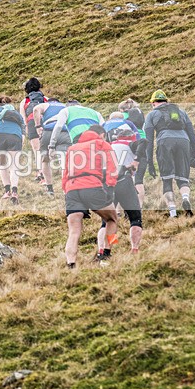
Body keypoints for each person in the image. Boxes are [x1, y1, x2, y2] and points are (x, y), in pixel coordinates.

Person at [62, 125, 119, 267]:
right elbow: (112, 165)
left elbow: (65, 173)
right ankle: (107, 252)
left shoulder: (72, 148)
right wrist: (110, 185)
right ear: (101, 134)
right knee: (112, 219)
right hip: (92, 185)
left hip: (72, 189)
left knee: (74, 231)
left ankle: (70, 264)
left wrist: (66, 190)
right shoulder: (101, 143)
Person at [145, 90, 195, 218]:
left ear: (153, 103)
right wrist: (194, 156)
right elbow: (192, 135)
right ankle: (185, 198)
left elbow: (149, 141)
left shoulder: (151, 115)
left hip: (165, 142)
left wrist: (150, 163)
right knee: (183, 178)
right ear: (166, 101)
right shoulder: (181, 112)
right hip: (184, 141)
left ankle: (173, 213)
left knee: (167, 180)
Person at [99, 115, 146, 254]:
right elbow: (144, 142)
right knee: (135, 219)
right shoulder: (130, 143)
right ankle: (134, 249)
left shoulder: (109, 146)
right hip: (124, 181)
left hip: (107, 184)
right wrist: (136, 160)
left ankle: (104, 249)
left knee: (107, 221)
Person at [0, 96, 25, 203]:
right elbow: (23, 131)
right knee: (14, 165)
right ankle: (14, 191)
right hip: (15, 136)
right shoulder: (16, 113)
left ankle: (7, 191)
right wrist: (20, 141)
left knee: (2, 165)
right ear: (10, 103)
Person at [33, 98, 70, 196]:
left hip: (48, 131)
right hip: (63, 131)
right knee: (64, 162)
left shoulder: (46, 105)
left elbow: (36, 109)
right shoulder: (65, 107)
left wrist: (37, 126)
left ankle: (49, 188)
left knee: (45, 160)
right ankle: (66, 189)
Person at [118, 98, 148, 206]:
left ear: (122, 110)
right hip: (142, 145)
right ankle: (139, 207)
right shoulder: (140, 114)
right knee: (139, 180)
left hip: (130, 146)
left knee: (124, 178)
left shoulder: (123, 117)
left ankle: (120, 210)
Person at [21, 78, 47, 183]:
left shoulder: (25, 101)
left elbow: (23, 117)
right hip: (45, 123)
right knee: (45, 148)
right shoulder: (45, 98)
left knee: (36, 149)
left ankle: (40, 172)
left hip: (31, 122)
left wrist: (26, 129)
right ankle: (46, 171)